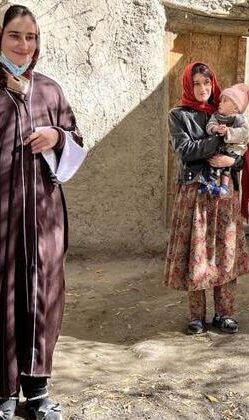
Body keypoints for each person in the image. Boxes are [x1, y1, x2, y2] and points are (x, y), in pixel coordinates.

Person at [0, 5, 83, 420]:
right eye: (15, 35)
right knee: (4, 293)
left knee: (42, 292)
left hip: (44, 215)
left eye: (30, 37)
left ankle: (37, 391)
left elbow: (76, 139)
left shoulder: (49, 90)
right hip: (3, 215)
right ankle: (3, 392)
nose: (23, 45)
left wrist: (57, 136)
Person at [164, 62, 249, 335]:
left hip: (225, 194)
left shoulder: (226, 110)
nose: (202, 88)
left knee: (225, 253)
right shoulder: (179, 115)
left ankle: (224, 314)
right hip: (195, 191)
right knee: (197, 252)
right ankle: (196, 316)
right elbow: (186, 150)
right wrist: (221, 141)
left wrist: (233, 159)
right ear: (188, 86)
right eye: (196, 84)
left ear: (213, 84)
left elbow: (243, 151)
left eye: (206, 83)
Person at [200, 83, 249, 197]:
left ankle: (224, 187)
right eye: (220, 100)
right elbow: (210, 125)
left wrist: (228, 132)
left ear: (235, 107)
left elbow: (245, 132)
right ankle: (211, 182)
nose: (220, 103)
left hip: (234, 150)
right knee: (213, 160)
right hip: (219, 148)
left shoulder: (240, 119)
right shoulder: (216, 116)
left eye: (225, 101)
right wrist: (215, 128)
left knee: (226, 167)